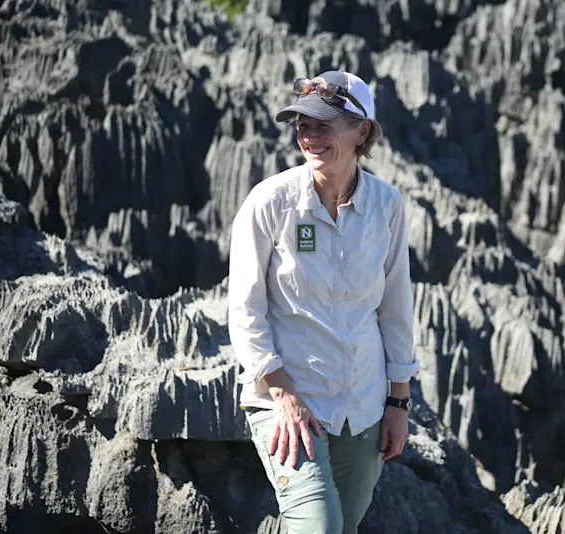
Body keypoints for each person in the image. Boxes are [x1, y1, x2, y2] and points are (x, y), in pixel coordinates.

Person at [228, 70, 420, 534]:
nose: (309, 137)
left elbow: (395, 306)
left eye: (323, 125)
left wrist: (398, 402)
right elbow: (245, 309)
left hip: (363, 408)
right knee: (320, 527)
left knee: (342, 527)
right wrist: (283, 395)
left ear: (362, 132)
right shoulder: (270, 202)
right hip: (288, 403)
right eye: (303, 125)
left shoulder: (386, 205)